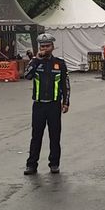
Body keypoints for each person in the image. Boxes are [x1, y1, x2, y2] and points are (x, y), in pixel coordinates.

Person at [23, 33, 70, 175]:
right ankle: (32, 165)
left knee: (55, 136)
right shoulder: (35, 62)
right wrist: (36, 60)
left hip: (54, 105)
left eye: (47, 46)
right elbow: (27, 75)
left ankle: (54, 163)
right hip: (38, 105)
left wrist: (66, 102)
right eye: (42, 46)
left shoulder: (60, 63)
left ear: (52, 47)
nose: (45, 48)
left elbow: (65, 84)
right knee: (36, 136)